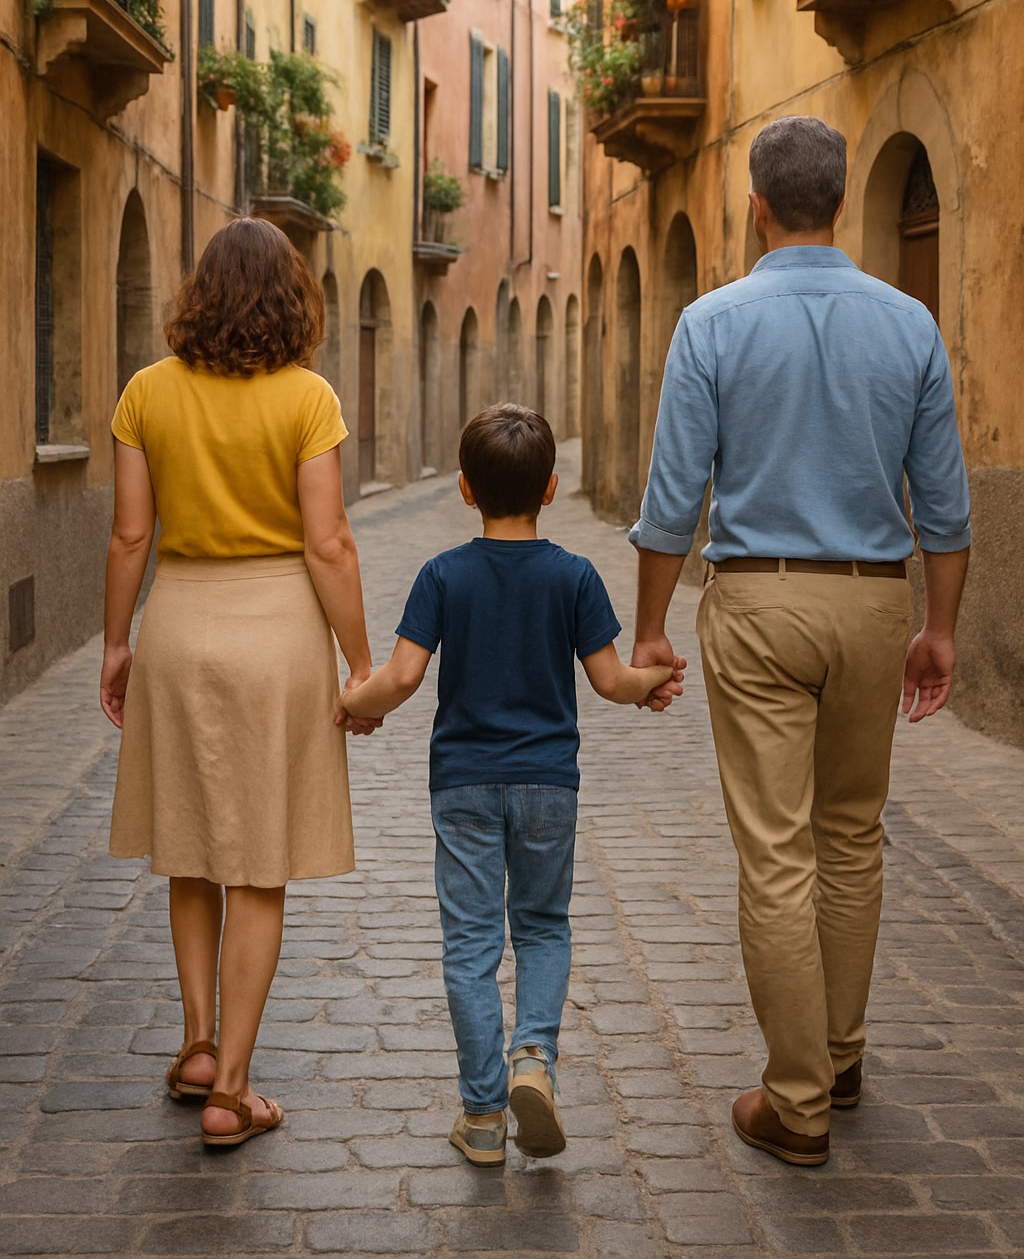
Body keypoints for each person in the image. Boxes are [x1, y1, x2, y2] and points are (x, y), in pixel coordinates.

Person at [629, 116, 971, 1167]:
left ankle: (796, 1102)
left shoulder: (711, 322)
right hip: (874, 602)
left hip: (758, 602)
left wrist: (647, 629)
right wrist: (939, 629)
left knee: (776, 852)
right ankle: (841, 1050)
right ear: (837, 201)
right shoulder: (909, 322)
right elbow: (946, 505)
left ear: (756, 205)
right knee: (852, 836)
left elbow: (673, 496)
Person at [342, 404, 684, 1167]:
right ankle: (534, 1055)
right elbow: (610, 681)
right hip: (546, 786)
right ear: (553, 487)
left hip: (462, 783)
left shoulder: (442, 574)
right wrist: (654, 681)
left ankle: (484, 1115)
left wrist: (349, 702)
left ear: (464, 490)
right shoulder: (574, 575)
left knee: (470, 943)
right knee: (540, 927)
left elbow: (399, 678)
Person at [101, 217, 376, 1150]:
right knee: (259, 859)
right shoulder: (308, 398)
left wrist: (115, 645)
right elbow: (328, 542)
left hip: (177, 623)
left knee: (189, 845)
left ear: (198, 295)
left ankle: (197, 1046)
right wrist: (361, 659)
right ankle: (237, 1089)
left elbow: (131, 535)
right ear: (291, 297)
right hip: (277, 636)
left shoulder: (146, 393)